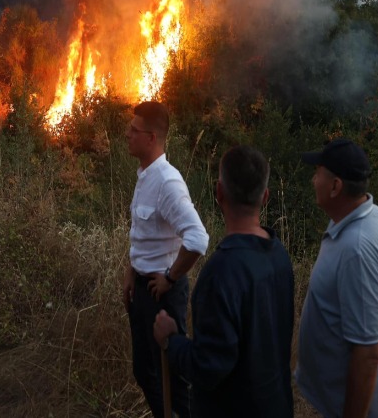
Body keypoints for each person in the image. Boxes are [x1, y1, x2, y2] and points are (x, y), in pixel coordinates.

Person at [153, 145, 295, 417]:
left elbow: (208, 367)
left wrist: (171, 340)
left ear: (219, 193)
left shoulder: (221, 272)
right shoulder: (279, 255)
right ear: (265, 197)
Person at [295, 138, 378, 418]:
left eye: (317, 172)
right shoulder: (369, 217)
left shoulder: (358, 249)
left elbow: (369, 355)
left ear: (335, 186)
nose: (312, 180)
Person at [122, 101, 209, 418]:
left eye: (134, 130)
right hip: (144, 289)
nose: (127, 134)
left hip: (163, 294)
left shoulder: (168, 183)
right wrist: (131, 273)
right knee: (144, 373)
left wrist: (171, 278)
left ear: (152, 138)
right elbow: (143, 232)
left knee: (172, 380)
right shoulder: (145, 175)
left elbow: (198, 238)